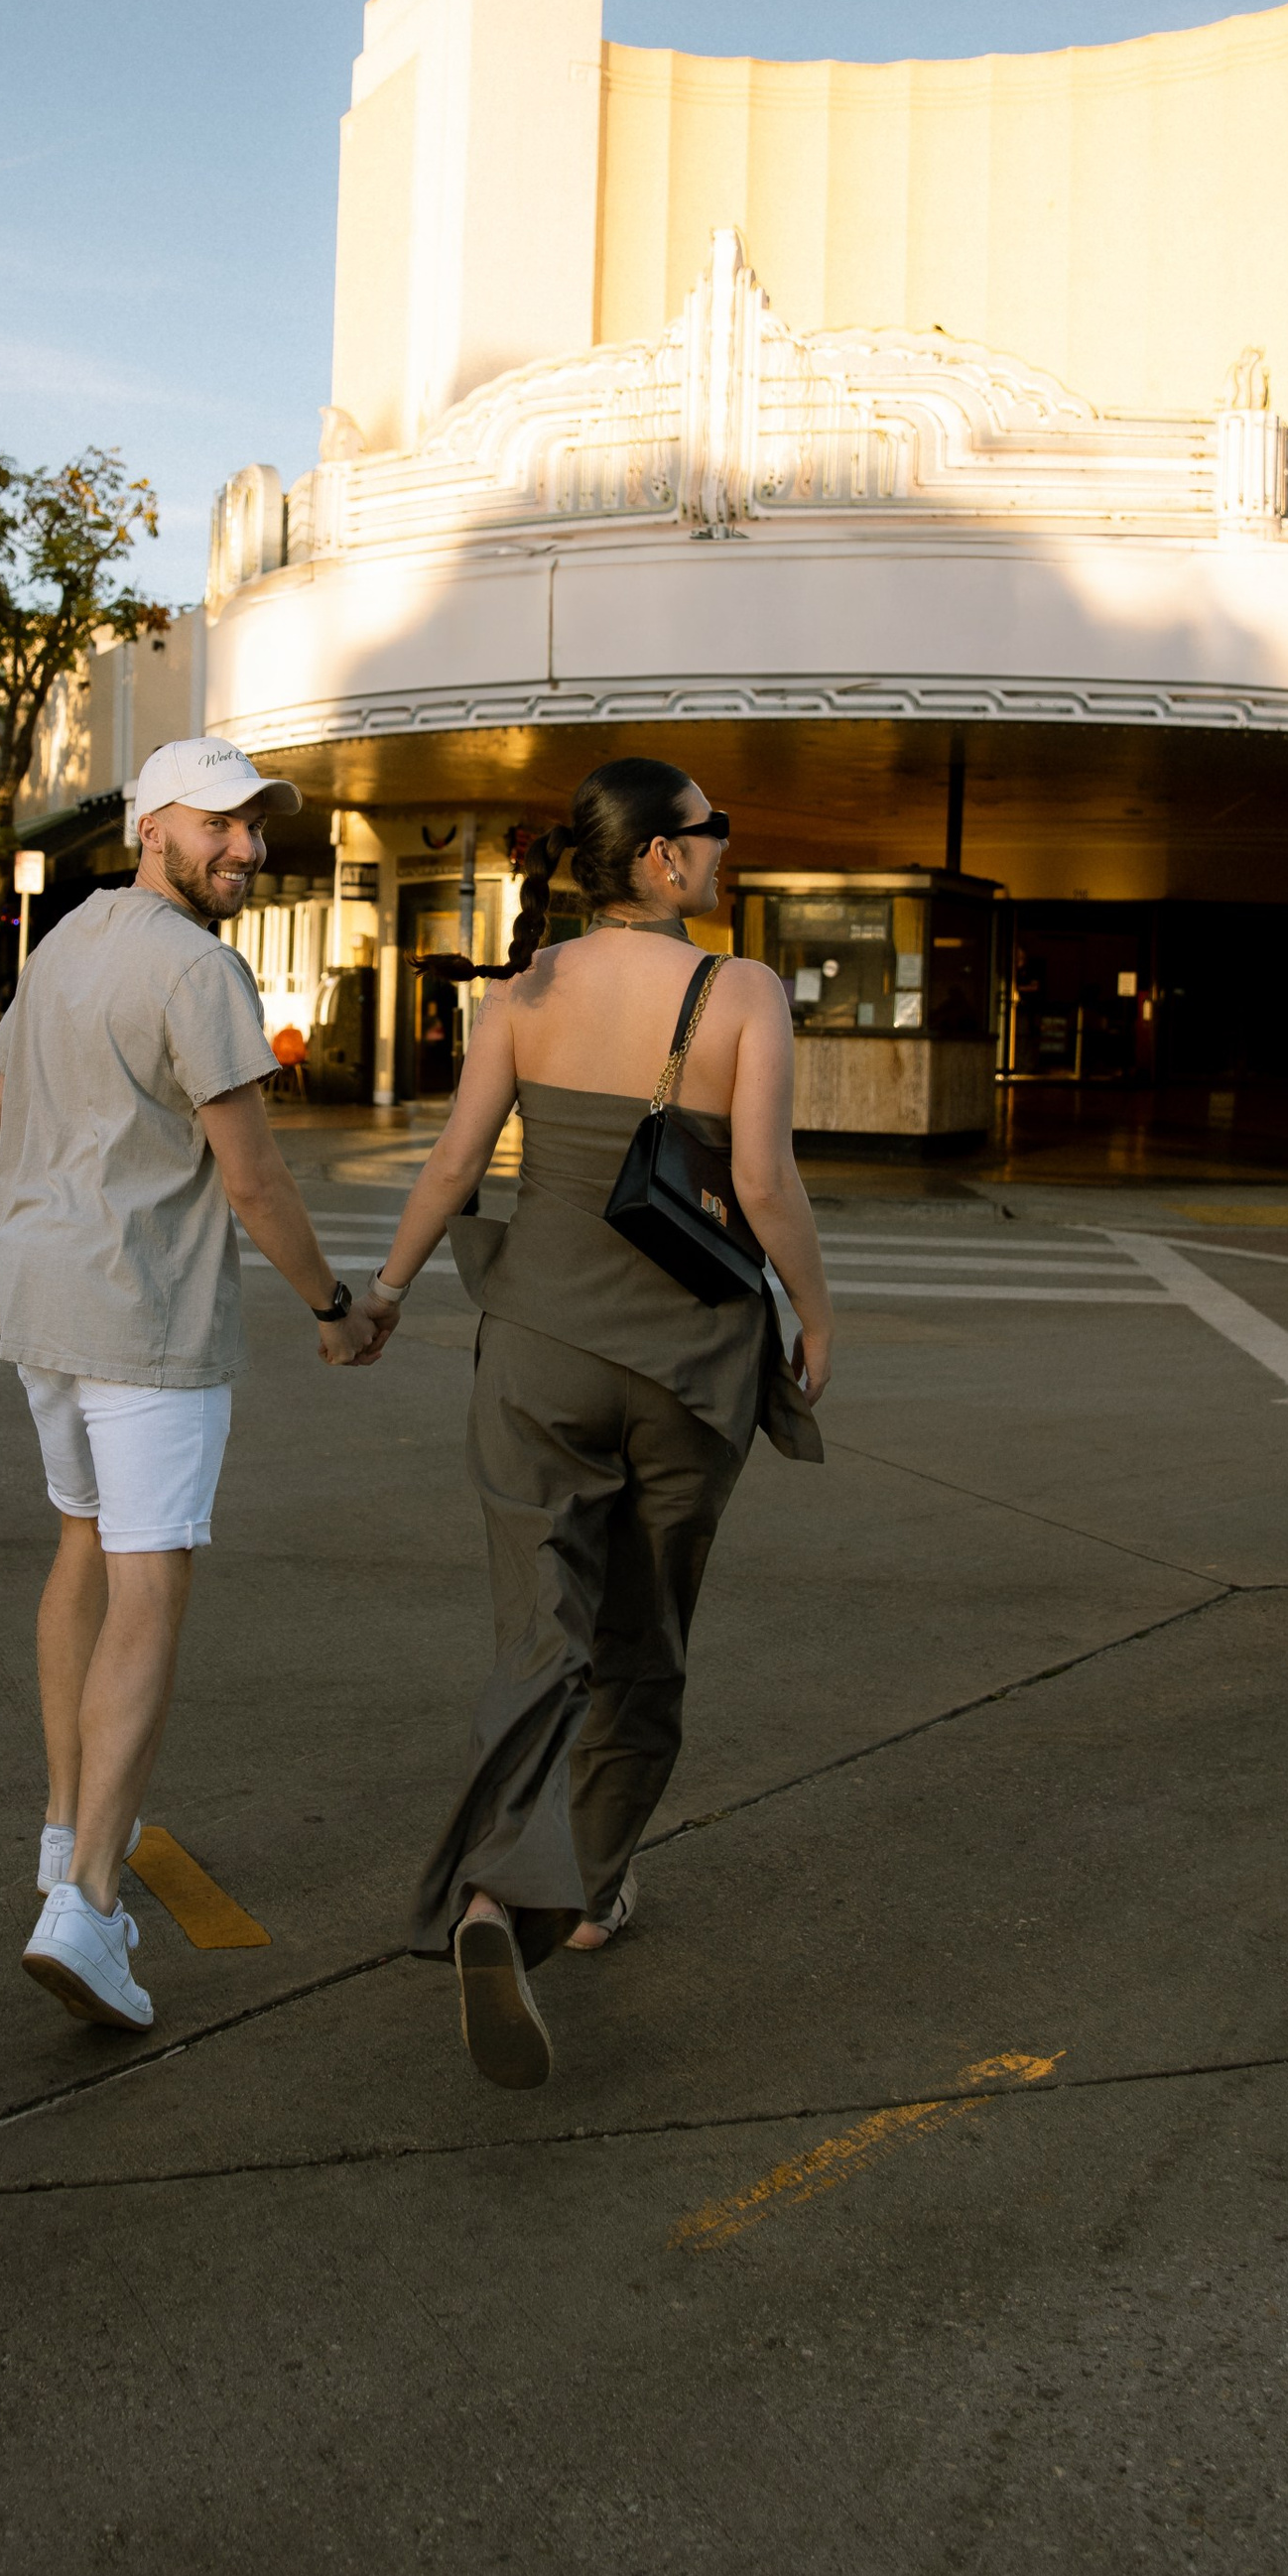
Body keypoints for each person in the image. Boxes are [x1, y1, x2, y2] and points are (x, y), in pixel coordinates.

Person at [355, 756, 836, 2089]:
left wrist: (387, 1292)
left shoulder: (520, 997)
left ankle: (497, 1898)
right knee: (644, 1635)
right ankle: (594, 1885)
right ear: (662, 862)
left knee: (537, 1634)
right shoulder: (740, 991)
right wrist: (816, 1307)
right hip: (689, 1368)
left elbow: (454, 1163)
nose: (725, 845)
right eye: (711, 829)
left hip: (536, 1353)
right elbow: (763, 1179)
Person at [0, 735, 390, 2033]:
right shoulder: (198, 969)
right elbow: (255, 1178)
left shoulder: (64, 943)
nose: (247, 847)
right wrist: (336, 1307)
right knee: (153, 1579)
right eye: (223, 822)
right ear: (151, 821)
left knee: (83, 1545)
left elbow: (6, 1106)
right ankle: (93, 1904)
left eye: (257, 827)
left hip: (37, 1294)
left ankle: (64, 1841)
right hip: (143, 1307)